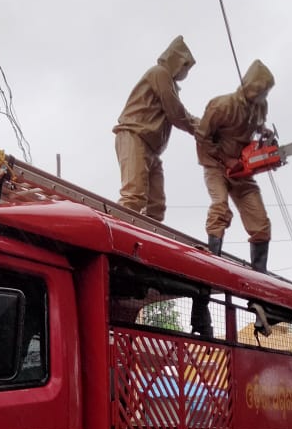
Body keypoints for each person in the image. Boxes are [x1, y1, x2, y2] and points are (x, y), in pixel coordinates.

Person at [195, 59, 274, 272]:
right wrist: (224, 159)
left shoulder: (260, 107)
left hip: (242, 171)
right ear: (252, 86)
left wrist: (263, 132)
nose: (263, 96)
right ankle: (213, 262)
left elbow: (255, 125)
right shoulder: (221, 105)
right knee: (220, 207)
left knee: (261, 223)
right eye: (261, 91)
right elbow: (202, 137)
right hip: (216, 166)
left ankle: (260, 276)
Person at [113, 36, 198, 222]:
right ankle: (118, 232)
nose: (186, 73)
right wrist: (202, 128)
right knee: (134, 196)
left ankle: (147, 241)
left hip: (151, 147)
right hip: (135, 135)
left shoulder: (169, 82)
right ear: (179, 62)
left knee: (156, 206)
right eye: (186, 67)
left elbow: (176, 112)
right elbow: (176, 112)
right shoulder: (160, 73)